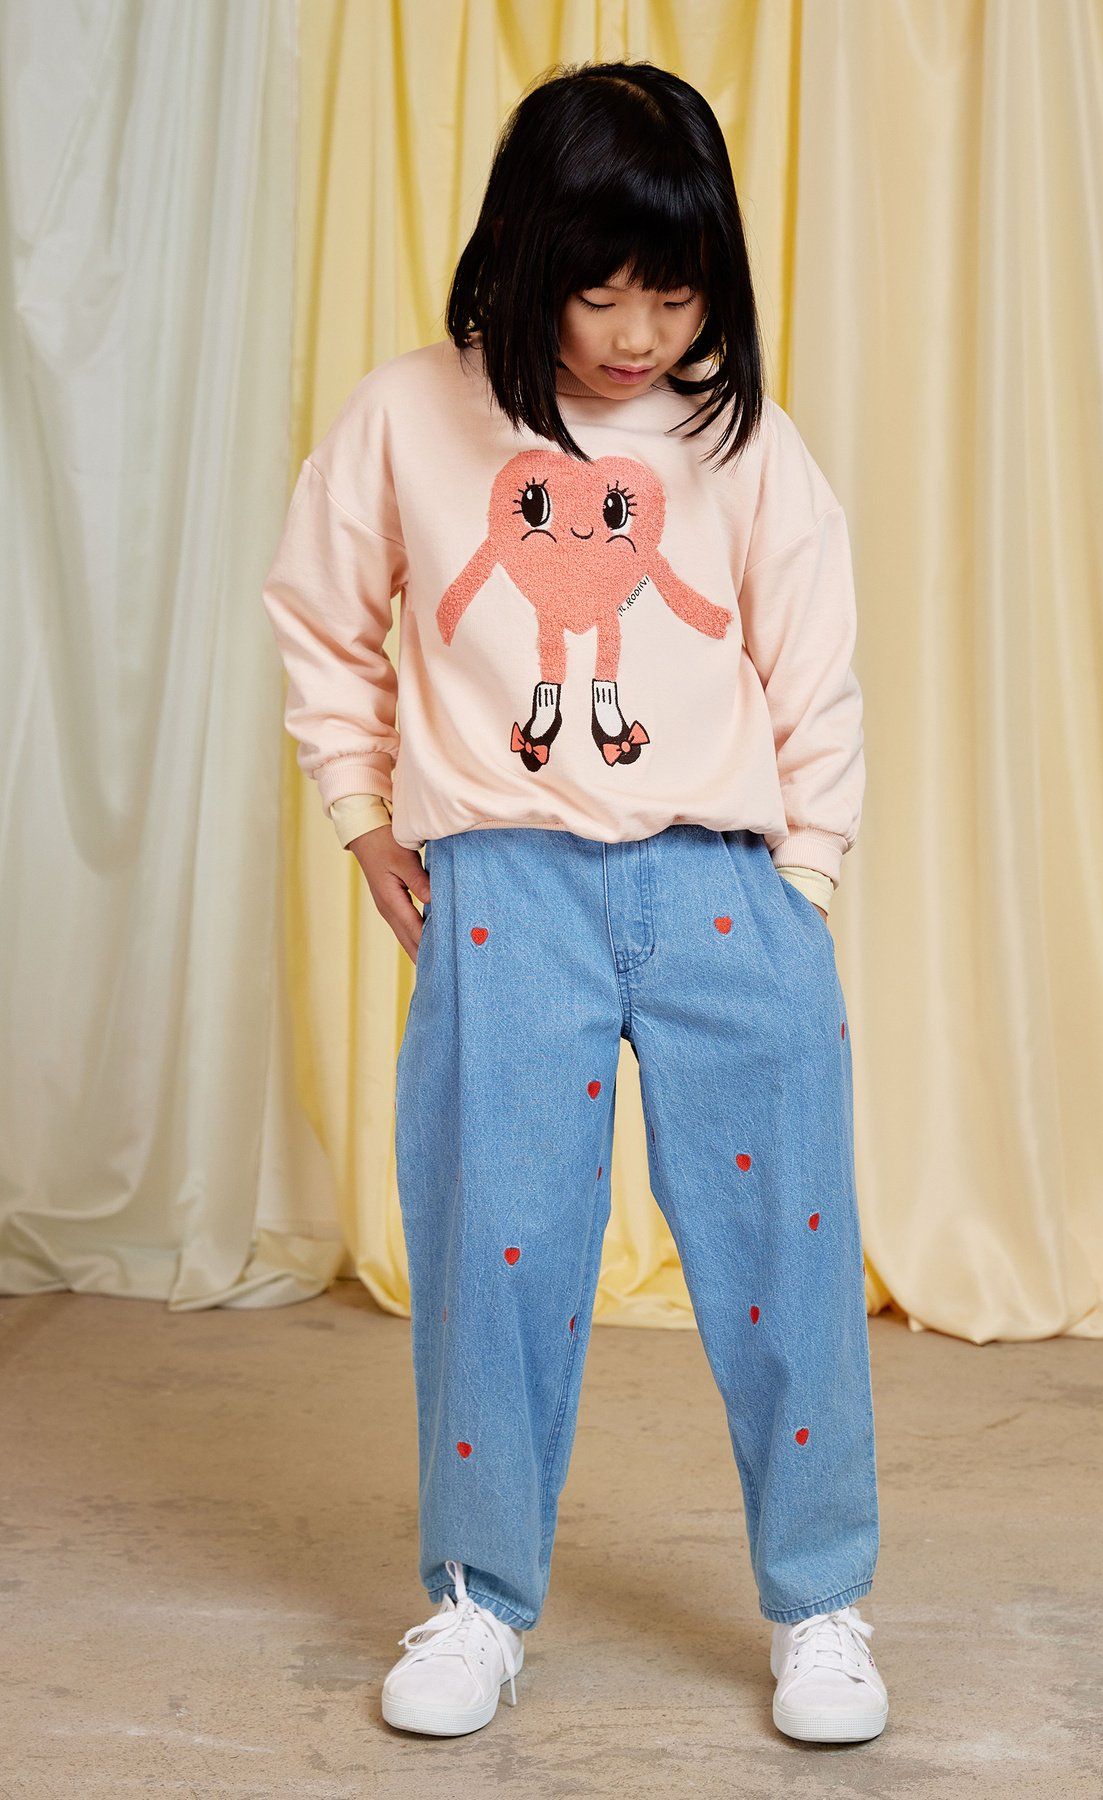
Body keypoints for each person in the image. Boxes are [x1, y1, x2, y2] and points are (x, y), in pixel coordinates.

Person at [261, 58, 885, 1746]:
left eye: (673, 295)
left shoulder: (739, 441)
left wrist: (804, 881)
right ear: (523, 253)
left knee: (785, 1253)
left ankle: (819, 1603)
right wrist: (361, 816)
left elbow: (812, 670)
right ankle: (475, 1600)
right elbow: (323, 616)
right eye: (599, 290)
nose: (634, 334)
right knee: (494, 1246)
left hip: (723, 888)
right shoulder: (413, 414)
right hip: (503, 893)